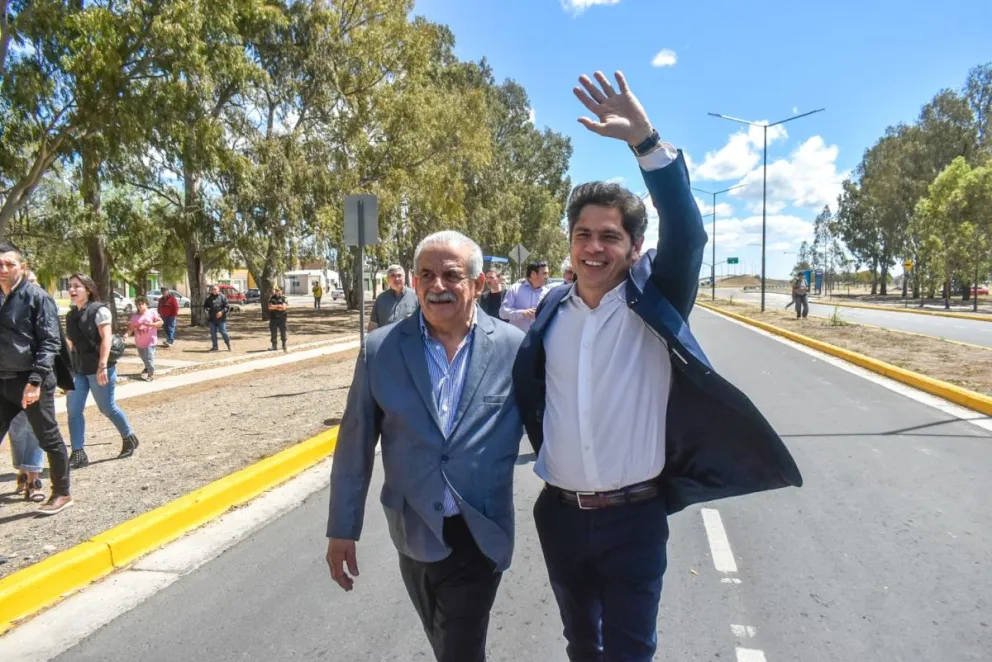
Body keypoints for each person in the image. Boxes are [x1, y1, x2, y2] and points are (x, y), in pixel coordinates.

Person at [511, 70, 802, 661]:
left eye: (610, 237)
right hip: (559, 515)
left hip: (634, 518)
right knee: (580, 646)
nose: (594, 247)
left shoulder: (656, 299)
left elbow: (689, 235)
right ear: (569, 243)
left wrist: (645, 140)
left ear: (634, 248)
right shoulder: (549, 313)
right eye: (582, 235)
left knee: (629, 650)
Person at [327, 231, 525, 662]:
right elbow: (355, 445)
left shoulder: (515, 349)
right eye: (427, 275)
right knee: (443, 637)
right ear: (413, 283)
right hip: (413, 528)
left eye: (451, 275)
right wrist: (343, 528)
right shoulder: (380, 351)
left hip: (481, 530)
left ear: (476, 283)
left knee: (459, 645)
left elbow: (552, 428)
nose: (437, 286)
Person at [0, 249, 73, 514]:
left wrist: (35, 380)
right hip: (3, 381)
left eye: (10, 264)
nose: (4, 269)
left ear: (22, 266)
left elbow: (50, 341)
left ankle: (62, 493)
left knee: (48, 438)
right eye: (0, 264)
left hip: (32, 381)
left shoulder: (37, 297)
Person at [65, 273, 140, 467]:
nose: (72, 290)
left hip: (98, 368)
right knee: (73, 410)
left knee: (107, 408)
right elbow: (69, 343)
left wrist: (103, 366)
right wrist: (66, 370)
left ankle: (129, 437)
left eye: (77, 286)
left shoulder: (99, 311)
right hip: (78, 370)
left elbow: (106, 338)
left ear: (88, 290)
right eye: (70, 286)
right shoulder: (71, 315)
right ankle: (78, 452)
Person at [499, 261, 550, 332]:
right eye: (544, 273)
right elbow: (502, 312)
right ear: (533, 274)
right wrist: (522, 313)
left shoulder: (547, 293)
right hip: (517, 339)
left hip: (537, 340)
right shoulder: (515, 289)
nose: (547, 277)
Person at [368, 264, 418, 331]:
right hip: (386, 340)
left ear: (404, 278)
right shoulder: (381, 299)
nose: (396, 279)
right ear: (388, 279)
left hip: (409, 340)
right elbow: (373, 325)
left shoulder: (416, 297)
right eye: (393, 276)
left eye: (399, 275)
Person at [128, 296, 163, 381]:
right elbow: (131, 328)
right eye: (138, 304)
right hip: (139, 342)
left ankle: (151, 375)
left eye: (142, 304)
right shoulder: (135, 316)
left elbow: (161, 322)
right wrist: (126, 335)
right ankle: (147, 367)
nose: (140, 306)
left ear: (146, 304)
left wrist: (153, 325)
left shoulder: (152, 313)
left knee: (149, 358)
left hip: (150, 341)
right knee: (144, 358)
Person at [203, 285, 231, 351]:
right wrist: (207, 309)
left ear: (218, 290)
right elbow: (205, 306)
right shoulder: (209, 298)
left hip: (221, 319)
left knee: (223, 331)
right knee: (213, 333)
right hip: (212, 319)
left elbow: (227, 307)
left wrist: (222, 312)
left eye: (215, 289)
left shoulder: (223, 297)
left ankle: (228, 343)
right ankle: (215, 347)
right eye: (213, 289)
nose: (214, 290)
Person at [268, 285, 289, 352]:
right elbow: (269, 307)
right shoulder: (272, 297)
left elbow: (283, 307)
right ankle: (274, 346)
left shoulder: (284, 298)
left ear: (281, 291)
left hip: (282, 318)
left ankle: (284, 345)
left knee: (283, 331)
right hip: (273, 317)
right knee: (273, 332)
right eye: (275, 290)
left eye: (278, 290)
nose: (276, 291)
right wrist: (278, 306)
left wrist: (275, 307)